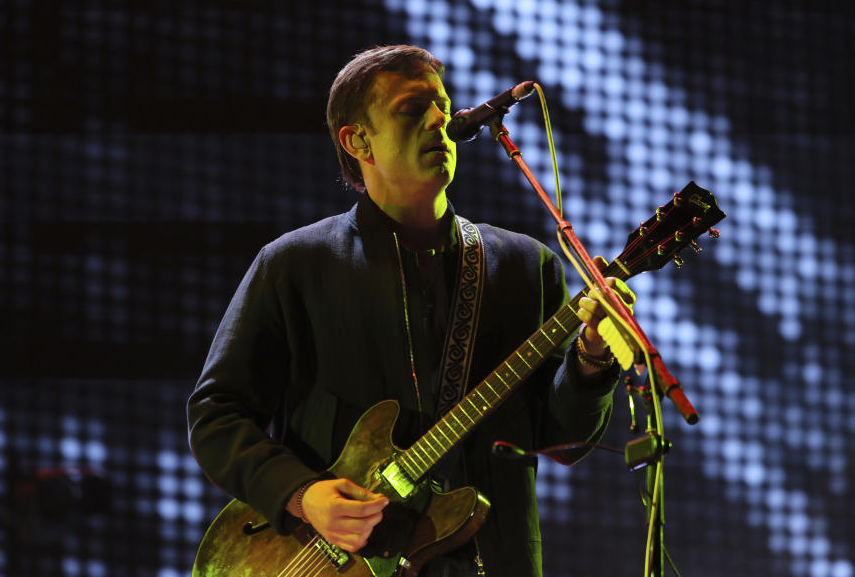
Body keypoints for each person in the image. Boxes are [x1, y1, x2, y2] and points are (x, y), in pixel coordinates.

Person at [187, 45, 634, 577]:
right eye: (411, 108)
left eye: (443, 105)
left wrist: (591, 357)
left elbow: (561, 438)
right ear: (357, 141)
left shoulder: (524, 265)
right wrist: (303, 495)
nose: (439, 120)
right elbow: (216, 415)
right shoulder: (296, 264)